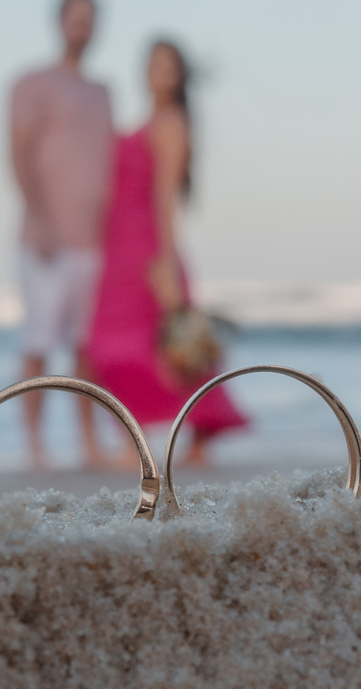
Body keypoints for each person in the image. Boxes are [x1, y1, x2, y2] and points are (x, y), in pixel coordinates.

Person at [87, 38, 247, 466]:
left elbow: (164, 198)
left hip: (147, 248)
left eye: (167, 67)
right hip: (118, 247)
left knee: (161, 347)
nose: (158, 73)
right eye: (153, 64)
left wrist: (165, 262)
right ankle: (151, 443)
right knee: (114, 346)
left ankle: (173, 443)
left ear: (179, 78)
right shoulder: (148, 121)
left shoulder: (172, 123)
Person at [9, 0, 114, 469]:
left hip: (96, 240)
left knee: (87, 348)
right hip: (47, 240)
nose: (83, 27)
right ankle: (35, 446)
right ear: (59, 23)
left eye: (90, 19)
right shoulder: (32, 83)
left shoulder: (102, 91)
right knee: (40, 342)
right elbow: (18, 152)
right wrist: (39, 218)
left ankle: (90, 445)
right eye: (76, 18)